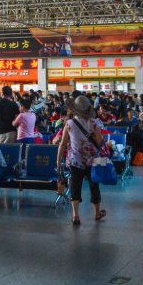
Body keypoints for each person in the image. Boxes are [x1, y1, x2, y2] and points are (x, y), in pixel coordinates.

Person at [56, 95, 107, 226]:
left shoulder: (69, 123)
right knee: (94, 186)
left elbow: (63, 144)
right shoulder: (94, 123)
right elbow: (100, 142)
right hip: (93, 160)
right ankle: (96, 214)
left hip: (75, 161)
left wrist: (58, 160)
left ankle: (75, 215)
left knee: (75, 186)